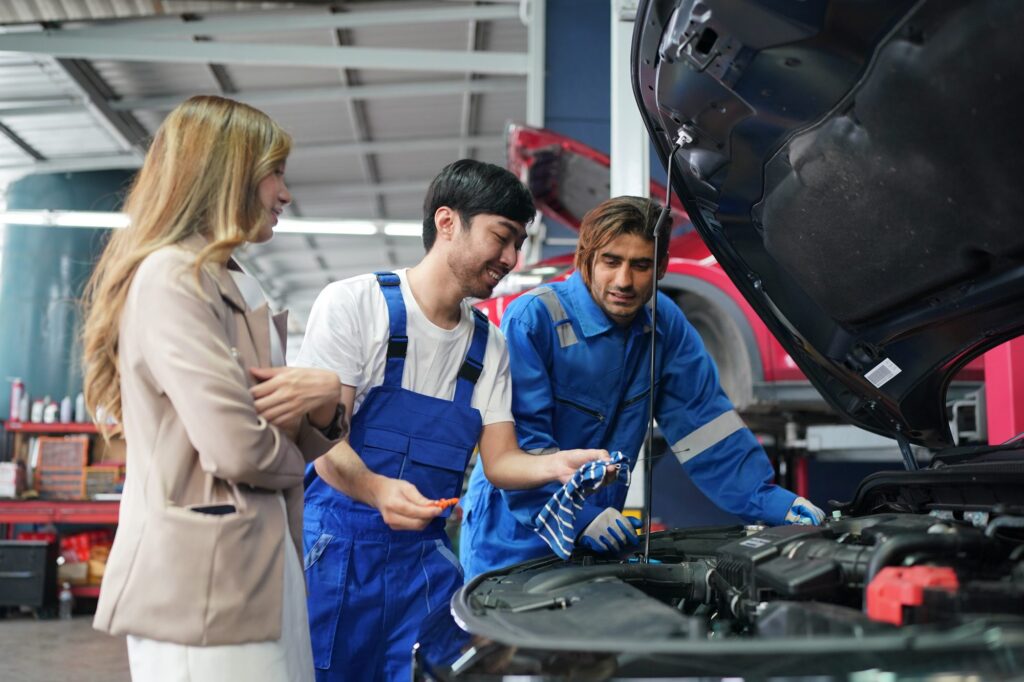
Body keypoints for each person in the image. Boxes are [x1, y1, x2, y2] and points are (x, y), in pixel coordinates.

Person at [294, 159, 609, 682]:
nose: (511, 258)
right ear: (447, 222)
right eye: (502, 237)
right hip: (334, 559)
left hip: (424, 569)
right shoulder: (354, 304)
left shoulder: (489, 346)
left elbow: (502, 460)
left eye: (518, 244)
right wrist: (375, 490)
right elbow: (322, 443)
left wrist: (556, 465)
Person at [82, 95, 342, 681]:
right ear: (227, 173)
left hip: (259, 565)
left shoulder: (234, 281)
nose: (284, 193)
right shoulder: (171, 279)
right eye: (274, 172)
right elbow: (237, 449)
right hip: (203, 585)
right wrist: (288, 449)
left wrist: (325, 402)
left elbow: (268, 434)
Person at [460, 195, 825, 579]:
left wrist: (771, 501)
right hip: (512, 540)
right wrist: (581, 515)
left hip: (598, 536)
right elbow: (522, 447)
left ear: (662, 267)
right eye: (611, 262)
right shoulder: (535, 319)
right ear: (586, 258)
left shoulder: (665, 325)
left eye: (640, 266)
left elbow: (707, 429)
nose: (624, 281)